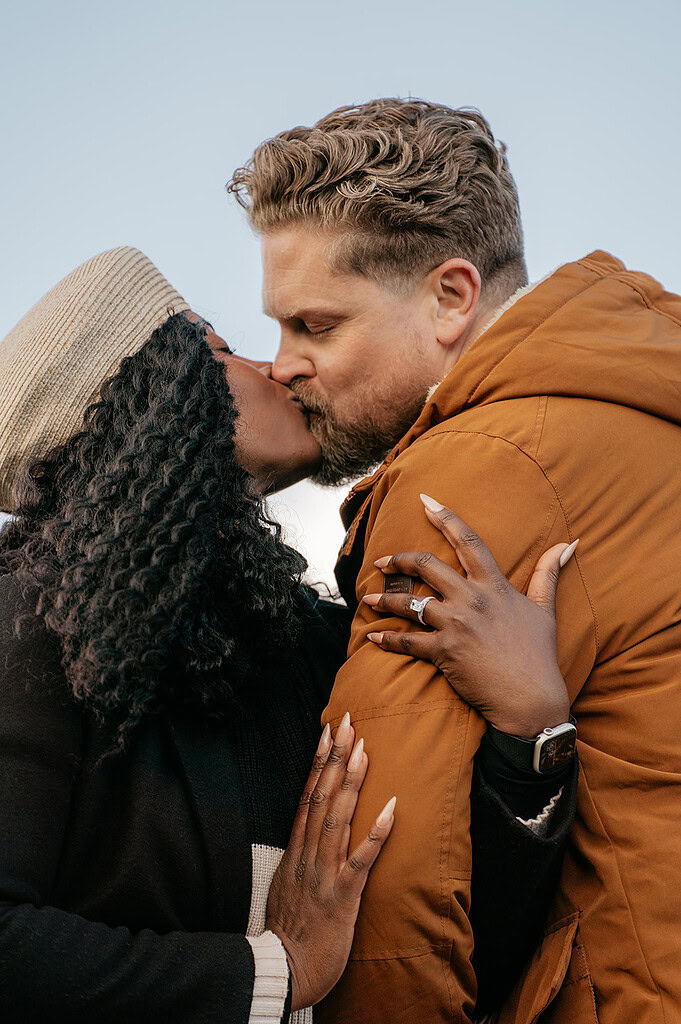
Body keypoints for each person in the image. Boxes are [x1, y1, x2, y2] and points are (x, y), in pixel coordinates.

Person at [0, 248, 578, 1023]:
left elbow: (457, 928)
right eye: (218, 350)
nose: (273, 369)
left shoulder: (310, 641)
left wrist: (531, 730)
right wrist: (273, 970)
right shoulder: (27, 623)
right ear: (147, 406)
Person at [228, 98, 681, 1024]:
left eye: (316, 326)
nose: (282, 366)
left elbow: (387, 869)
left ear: (450, 296)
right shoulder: (634, 417)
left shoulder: (479, 465)